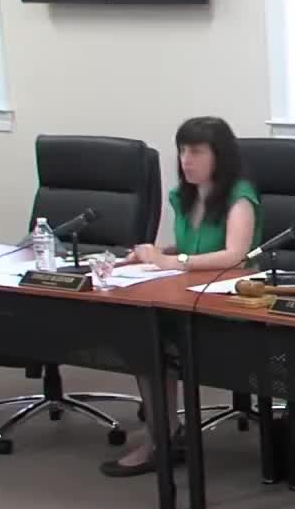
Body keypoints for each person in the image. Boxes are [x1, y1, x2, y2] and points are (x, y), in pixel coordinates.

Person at [101, 116, 263, 477]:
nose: (186, 160)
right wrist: (152, 254)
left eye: (196, 152)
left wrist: (173, 261)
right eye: (182, 151)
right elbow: (192, 247)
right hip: (185, 298)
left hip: (229, 305)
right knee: (144, 337)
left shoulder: (239, 197)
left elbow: (235, 255)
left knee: (156, 342)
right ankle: (164, 433)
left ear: (219, 155)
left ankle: (160, 439)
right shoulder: (184, 197)